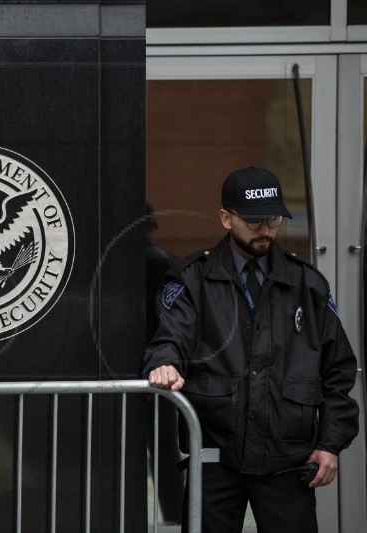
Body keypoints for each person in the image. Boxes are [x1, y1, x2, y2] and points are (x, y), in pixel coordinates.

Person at [143, 167, 359, 533]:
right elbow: (169, 337)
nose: (266, 229)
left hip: (288, 458)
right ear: (226, 218)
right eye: (255, 220)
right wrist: (164, 363)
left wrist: (331, 443)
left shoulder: (307, 284)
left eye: (273, 218)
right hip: (214, 455)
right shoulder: (193, 278)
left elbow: (337, 370)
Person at [144, 202, 184, 525]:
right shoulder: (162, 261)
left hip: (152, 373)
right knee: (164, 458)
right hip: (157, 376)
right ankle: (175, 521)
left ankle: (174, 520)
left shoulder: (154, 262)